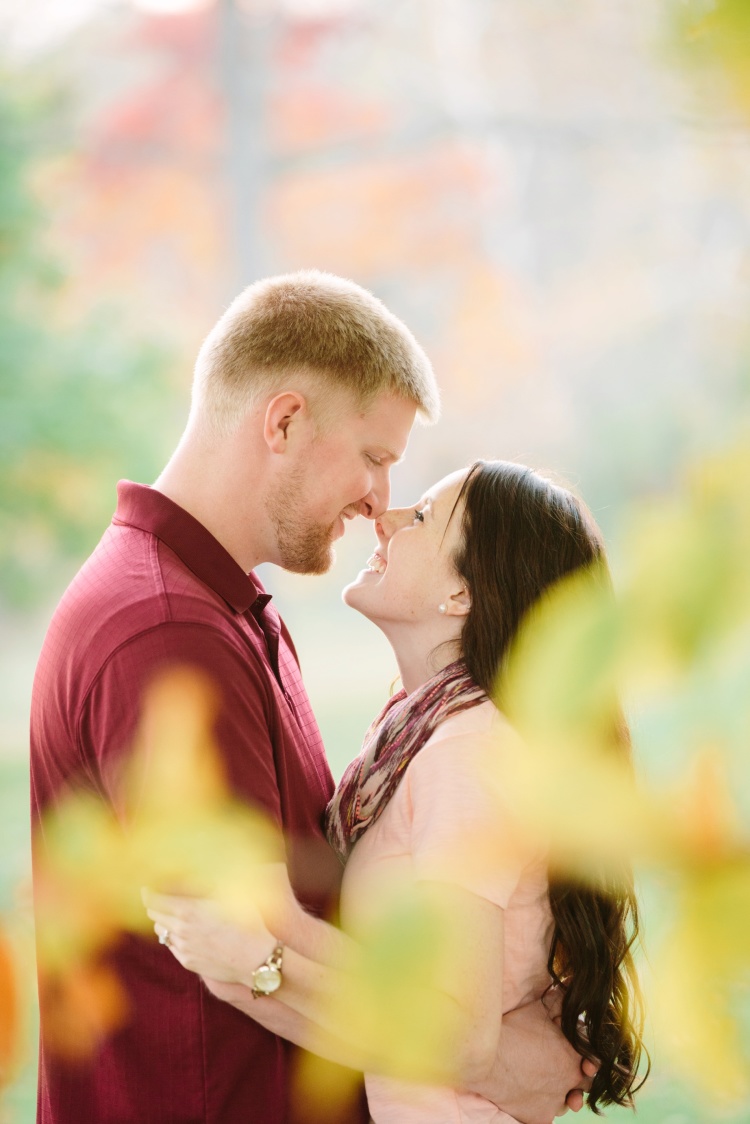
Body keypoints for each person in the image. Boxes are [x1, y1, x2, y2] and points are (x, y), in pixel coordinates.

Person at [31, 266, 594, 1124]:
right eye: (374, 458)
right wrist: (500, 1055)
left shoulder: (234, 613)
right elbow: (245, 952)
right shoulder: (166, 633)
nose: (379, 502)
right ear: (285, 420)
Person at [146, 460, 646, 1123]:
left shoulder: (469, 753)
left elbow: (462, 1039)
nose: (383, 519)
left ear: (462, 596)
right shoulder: (422, 734)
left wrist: (260, 956)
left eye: (419, 518)